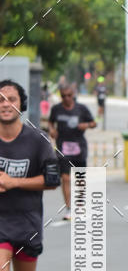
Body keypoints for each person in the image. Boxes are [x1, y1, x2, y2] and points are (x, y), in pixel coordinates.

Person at [0, 79, 60, 271]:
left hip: (27, 224)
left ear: (20, 104)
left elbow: (52, 180)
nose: (5, 104)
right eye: (0, 99)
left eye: (11, 99)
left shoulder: (37, 141)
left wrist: (13, 182)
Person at [48, 84, 96, 219]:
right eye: (63, 96)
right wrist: (51, 130)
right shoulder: (56, 109)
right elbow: (51, 122)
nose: (66, 98)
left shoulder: (81, 109)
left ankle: (80, 206)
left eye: (69, 95)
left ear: (73, 94)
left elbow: (93, 123)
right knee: (65, 178)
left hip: (79, 148)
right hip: (63, 148)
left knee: (80, 179)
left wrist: (86, 125)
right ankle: (69, 208)